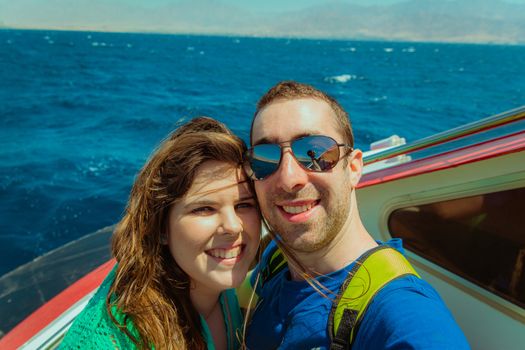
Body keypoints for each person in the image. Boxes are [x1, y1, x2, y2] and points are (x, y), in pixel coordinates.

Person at [241, 81, 470, 349]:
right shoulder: (276, 261)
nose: (288, 178)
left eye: (314, 153)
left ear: (353, 168)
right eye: (265, 158)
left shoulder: (403, 314)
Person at [60, 117, 260, 349]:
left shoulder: (213, 283)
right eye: (204, 208)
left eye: (244, 205)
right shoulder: (110, 342)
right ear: (161, 227)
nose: (233, 226)